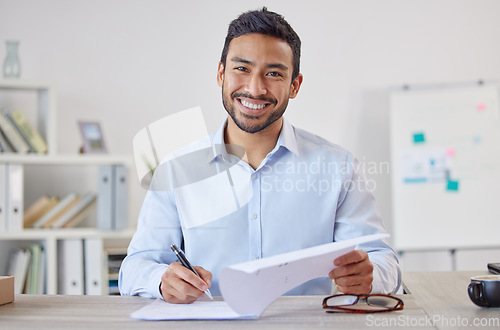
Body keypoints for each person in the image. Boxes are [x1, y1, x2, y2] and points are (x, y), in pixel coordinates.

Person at [119, 7, 401, 304]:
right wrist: (161, 281)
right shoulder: (176, 171)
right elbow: (135, 267)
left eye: (273, 73)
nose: (255, 89)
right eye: (241, 69)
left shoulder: (337, 167)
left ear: (295, 85)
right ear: (220, 73)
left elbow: (384, 262)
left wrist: (370, 275)